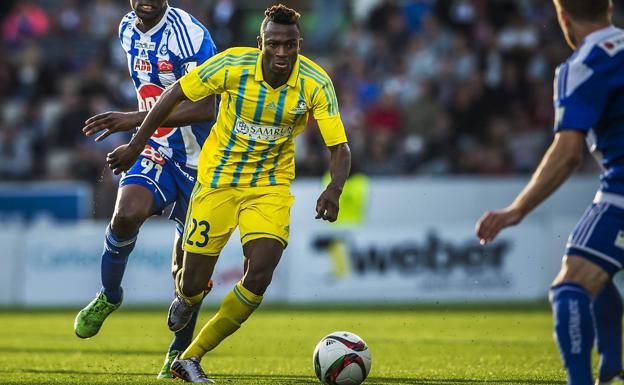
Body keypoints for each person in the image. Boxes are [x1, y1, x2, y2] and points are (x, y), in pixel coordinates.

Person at [105, 3, 351, 382]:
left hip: (269, 188)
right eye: (274, 44)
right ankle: (186, 300)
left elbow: (339, 147)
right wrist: (136, 145)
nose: (282, 53)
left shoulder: (315, 83)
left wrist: (334, 188)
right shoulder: (232, 65)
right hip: (217, 182)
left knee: (260, 274)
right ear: (261, 42)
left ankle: (190, 357)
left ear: (300, 44)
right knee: (191, 283)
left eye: (290, 45)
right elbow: (174, 95)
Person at [475, 1, 624, 384]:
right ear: (607, 7)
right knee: (594, 269)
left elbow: (568, 151)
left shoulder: (581, 67)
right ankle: (611, 361)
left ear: (563, 18)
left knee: (570, 286)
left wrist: (517, 210)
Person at [73, 0, 218, 379]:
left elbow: (208, 107)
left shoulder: (189, 35)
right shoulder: (126, 29)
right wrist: (142, 130)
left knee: (188, 271)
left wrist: (134, 120)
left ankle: (179, 351)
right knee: (125, 215)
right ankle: (109, 295)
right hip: (157, 149)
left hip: (203, 162)